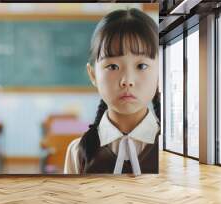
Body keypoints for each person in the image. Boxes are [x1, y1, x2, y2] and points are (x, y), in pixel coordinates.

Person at [64, 8, 160, 175]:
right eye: (113, 66)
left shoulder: (173, 149)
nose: (127, 81)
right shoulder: (79, 151)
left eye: (141, 66)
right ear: (93, 74)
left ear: (160, 72)